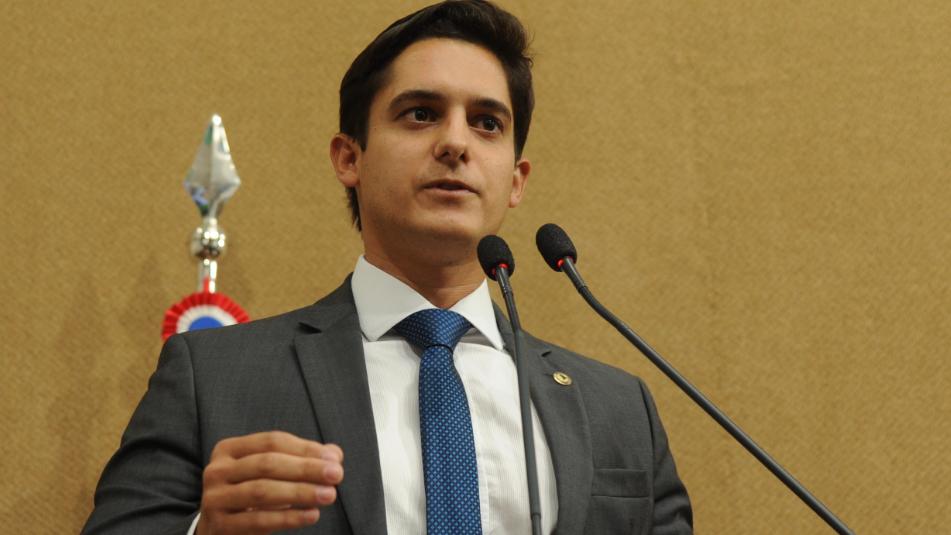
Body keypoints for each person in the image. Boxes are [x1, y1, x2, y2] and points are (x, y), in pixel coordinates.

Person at [82, 1, 693, 534]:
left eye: (487, 123)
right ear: (349, 158)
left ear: (516, 180)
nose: (456, 143)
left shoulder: (619, 408)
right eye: (421, 113)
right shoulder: (213, 378)